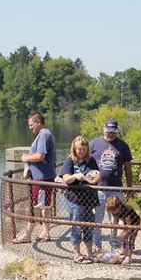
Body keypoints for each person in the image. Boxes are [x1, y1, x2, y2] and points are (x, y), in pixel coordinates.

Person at [89, 119, 133, 252]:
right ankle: (97, 245)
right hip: (98, 188)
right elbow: (86, 163)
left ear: (117, 131)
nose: (111, 135)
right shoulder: (94, 143)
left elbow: (127, 167)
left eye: (113, 132)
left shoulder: (123, 146)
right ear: (103, 129)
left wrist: (130, 187)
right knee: (97, 218)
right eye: (108, 132)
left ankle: (115, 244)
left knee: (116, 218)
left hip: (116, 188)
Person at [14, 112, 56, 243]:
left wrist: (26, 158)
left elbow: (40, 156)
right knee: (45, 205)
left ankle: (28, 235)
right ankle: (45, 233)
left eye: (31, 124)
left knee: (36, 206)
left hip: (41, 179)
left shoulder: (43, 135)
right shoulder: (47, 134)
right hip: (45, 177)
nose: (30, 127)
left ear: (38, 122)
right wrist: (27, 165)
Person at [60, 136, 100, 264]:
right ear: (74, 149)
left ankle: (89, 253)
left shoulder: (91, 160)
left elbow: (97, 176)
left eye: (84, 149)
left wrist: (92, 177)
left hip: (89, 199)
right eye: (79, 149)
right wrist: (75, 176)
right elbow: (66, 178)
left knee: (89, 225)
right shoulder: (70, 161)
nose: (81, 152)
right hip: (75, 198)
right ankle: (77, 254)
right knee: (76, 225)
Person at [105, 195, 140, 265]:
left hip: (134, 223)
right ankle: (125, 255)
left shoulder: (126, 209)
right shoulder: (114, 211)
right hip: (125, 222)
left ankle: (129, 257)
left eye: (113, 210)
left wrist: (125, 233)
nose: (113, 212)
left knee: (129, 239)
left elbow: (129, 224)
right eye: (111, 211)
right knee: (124, 240)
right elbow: (115, 221)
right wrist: (114, 233)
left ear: (119, 206)